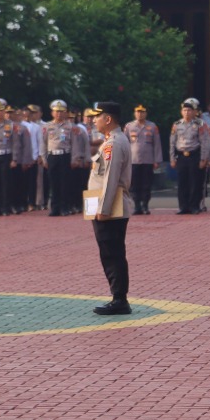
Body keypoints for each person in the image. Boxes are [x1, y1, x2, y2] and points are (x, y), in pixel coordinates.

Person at [84, 101, 133, 315]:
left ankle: (119, 299)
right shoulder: (110, 141)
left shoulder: (114, 143)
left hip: (110, 207)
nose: (94, 120)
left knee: (112, 252)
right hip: (102, 203)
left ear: (108, 119)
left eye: (97, 116)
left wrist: (103, 208)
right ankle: (117, 297)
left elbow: (111, 178)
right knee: (109, 252)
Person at [171, 100, 210, 214]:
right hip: (181, 156)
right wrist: (172, 158)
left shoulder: (200, 124)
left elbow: (204, 142)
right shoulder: (177, 125)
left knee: (195, 182)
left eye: (189, 110)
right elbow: (172, 142)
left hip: (194, 155)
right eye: (184, 110)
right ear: (181, 112)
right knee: (182, 183)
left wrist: (203, 159)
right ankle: (183, 206)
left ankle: (194, 206)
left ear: (194, 112)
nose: (187, 112)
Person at [124, 104, 163, 215]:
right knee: (134, 184)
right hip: (133, 160)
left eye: (142, 112)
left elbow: (157, 144)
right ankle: (137, 206)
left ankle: (145, 205)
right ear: (134, 113)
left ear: (145, 113)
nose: (140, 114)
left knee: (147, 183)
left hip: (148, 160)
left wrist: (157, 160)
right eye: (138, 112)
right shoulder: (129, 126)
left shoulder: (152, 126)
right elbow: (125, 143)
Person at [44, 101, 77, 217]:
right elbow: (43, 143)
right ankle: (54, 208)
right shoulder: (47, 126)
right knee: (53, 183)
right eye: (56, 111)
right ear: (52, 112)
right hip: (52, 156)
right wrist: (43, 158)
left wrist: (74, 159)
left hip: (65, 155)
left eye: (61, 111)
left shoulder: (70, 126)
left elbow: (74, 144)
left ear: (65, 113)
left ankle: (65, 207)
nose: (59, 114)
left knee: (64, 182)